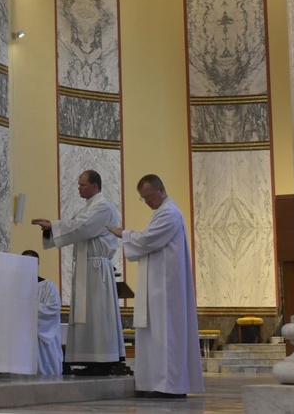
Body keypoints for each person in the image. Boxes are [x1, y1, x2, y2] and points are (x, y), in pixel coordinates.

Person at [107, 174, 204, 399]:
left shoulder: (170, 213)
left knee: (166, 334)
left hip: (167, 289)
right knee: (154, 335)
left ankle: (170, 386)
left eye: (149, 196)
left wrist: (123, 233)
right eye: (143, 198)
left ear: (161, 190)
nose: (147, 201)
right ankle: (154, 382)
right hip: (156, 288)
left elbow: (148, 240)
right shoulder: (161, 212)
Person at [31, 170, 125, 376]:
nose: (79, 188)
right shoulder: (88, 208)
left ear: (94, 185)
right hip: (85, 268)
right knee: (87, 315)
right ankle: (90, 359)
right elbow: (75, 227)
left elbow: (80, 228)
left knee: (97, 315)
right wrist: (52, 229)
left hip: (96, 270)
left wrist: (53, 226)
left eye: (82, 185)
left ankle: (103, 361)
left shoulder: (102, 207)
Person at [22, 249, 63, 376]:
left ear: (37, 264)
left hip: (43, 339)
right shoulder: (15, 287)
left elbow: (52, 310)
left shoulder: (48, 286)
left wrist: (26, 306)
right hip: (22, 337)